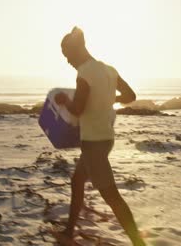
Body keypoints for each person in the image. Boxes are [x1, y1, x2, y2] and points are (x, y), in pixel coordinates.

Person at [52, 26, 146, 246]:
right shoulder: (108, 69)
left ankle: (139, 243)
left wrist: (64, 101)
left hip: (93, 142)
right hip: (106, 138)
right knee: (77, 182)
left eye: (67, 55)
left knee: (112, 196)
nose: (67, 61)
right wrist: (107, 99)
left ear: (77, 50)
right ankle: (68, 233)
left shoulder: (84, 73)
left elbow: (78, 110)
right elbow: (130, 96)